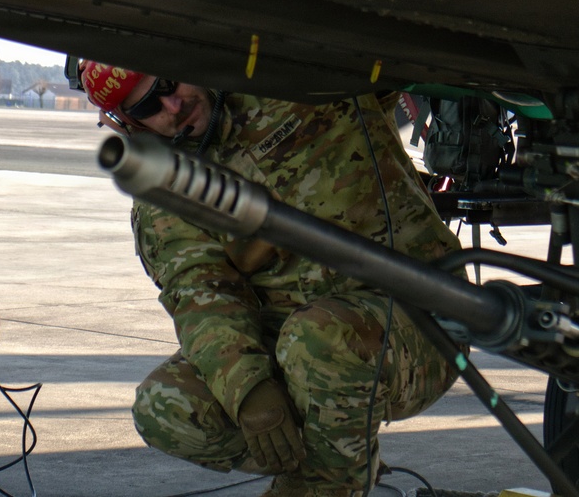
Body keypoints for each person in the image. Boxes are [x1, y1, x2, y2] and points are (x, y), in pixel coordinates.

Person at [77, 60, 462, 497]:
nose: (173, 105)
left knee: (318, 340)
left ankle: (327, 481)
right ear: (130, 123)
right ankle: (339, 456)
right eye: (149, 105)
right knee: (166, 409)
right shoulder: (166, 189)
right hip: (300, 345)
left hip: (423, 316)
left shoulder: (288, 77)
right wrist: (249, 390)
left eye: (169, 82)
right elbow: (201, 294)